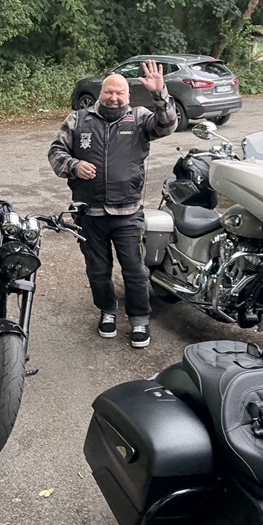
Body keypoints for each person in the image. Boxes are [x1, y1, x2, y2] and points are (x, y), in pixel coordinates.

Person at [48, 60, 177, 348]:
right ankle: (107, 310)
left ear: (128, 96)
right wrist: (74, 165)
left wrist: (160, 93)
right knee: (97, 270)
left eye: (120, 93)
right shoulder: (78, 119)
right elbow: (56, 153)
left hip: (127, 212)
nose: (114, 97)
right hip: (89, 213)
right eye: (109, 92)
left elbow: (168, 125)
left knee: (135, 270)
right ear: (100, 93)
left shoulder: (140, 118)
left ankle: (139, 318)